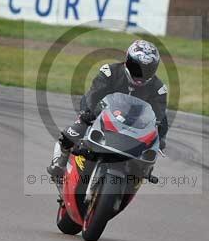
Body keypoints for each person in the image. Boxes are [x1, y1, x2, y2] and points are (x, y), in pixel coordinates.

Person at [47, 39, 169, 178]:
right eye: (136, 67)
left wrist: (160, 137)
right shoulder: (110, 72)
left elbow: (160, 116)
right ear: (127, 61)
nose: (140, 75)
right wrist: (87, 112)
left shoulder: (158, 89)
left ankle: (136, 177)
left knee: (148, 156)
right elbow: (93, 94)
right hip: (102, 116)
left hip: (134, 128)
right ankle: (60, 162)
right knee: (72, 133)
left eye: (147, 70)